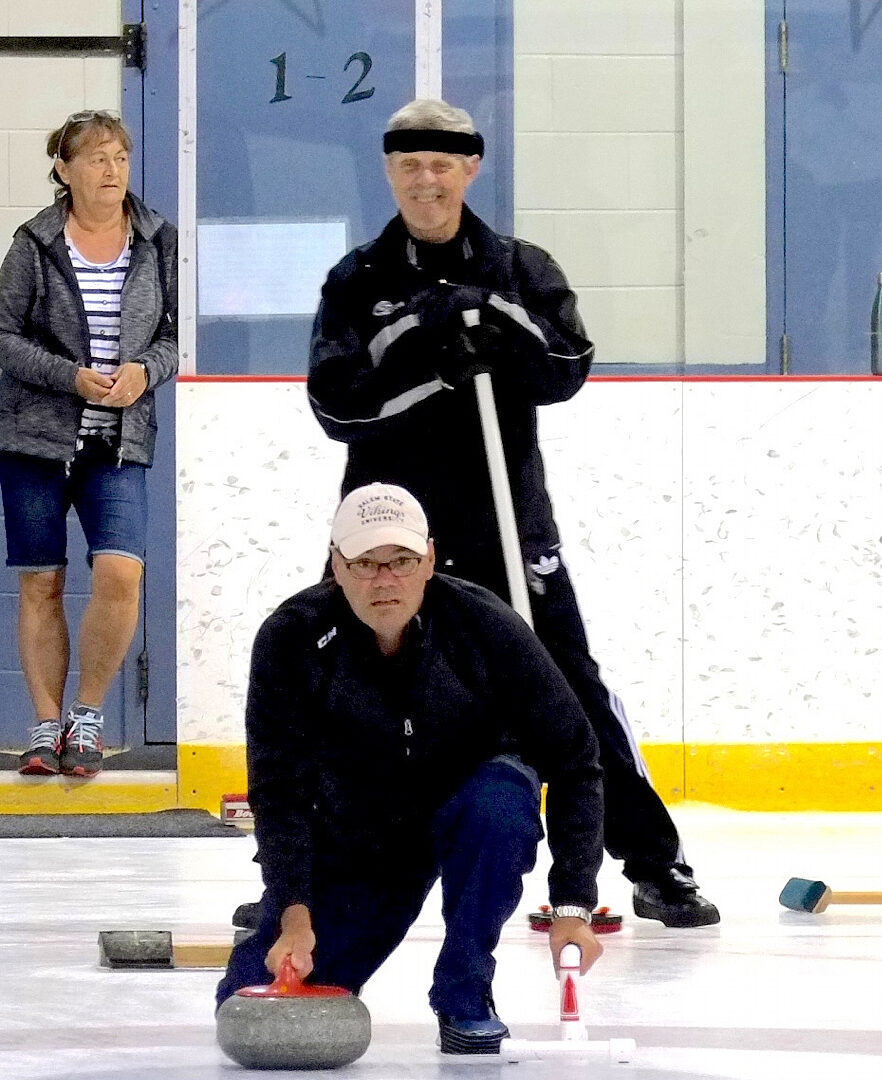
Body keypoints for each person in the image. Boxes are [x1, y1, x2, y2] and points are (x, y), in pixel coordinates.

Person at [306, 98, 717, 926]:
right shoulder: (357, 281)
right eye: (410, 164)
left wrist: (494, 320)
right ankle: (301, 872)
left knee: (571, 692)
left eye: (442, 163)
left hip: (507, 521)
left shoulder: (520, 265)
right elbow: (336, 407)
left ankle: (653, 861)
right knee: (342, 689)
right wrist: (418, 339)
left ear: (471, 168)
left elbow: (567, 366)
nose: (427, 179)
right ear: (390, 171)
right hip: (389, 530)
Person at [217, 483, 606, 1054]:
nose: (384, 580)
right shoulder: (291, 639)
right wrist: (294, 911)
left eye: (401, 561)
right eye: (365, 563)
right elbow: (280, 790)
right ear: (336, 566)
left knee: (501, 799)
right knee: (247, 1001)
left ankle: (466, 990)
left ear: (428, 559)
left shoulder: (485, 626)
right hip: (359, 839)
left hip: (468, 810)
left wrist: (573, 905)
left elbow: (577, 760)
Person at [0, 110, 176, 777]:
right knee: (42, 581)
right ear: (64, 170)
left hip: (119, 441)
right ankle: (45, 726)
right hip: (35, 439)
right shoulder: (33, 244)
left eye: (121, 158)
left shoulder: (158, 241)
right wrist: (68, 376)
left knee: (120, 572)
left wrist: (144, 372)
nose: (113, 171)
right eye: (98, 158)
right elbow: (4, 337)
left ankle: (88, 717)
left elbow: (175, 333)